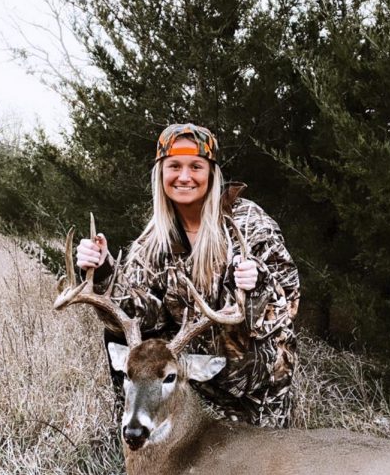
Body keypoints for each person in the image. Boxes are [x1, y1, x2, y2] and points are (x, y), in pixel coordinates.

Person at [77, 123, 300, 427]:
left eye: (196, 166)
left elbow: (289, 304)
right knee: (120, 331)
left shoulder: (250, 224)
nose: (184, 177)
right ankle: (136, 422)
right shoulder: (154, 240)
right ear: (161, 174)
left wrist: (258, 284)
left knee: (236, 465)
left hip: (252, 385)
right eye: (174, 166)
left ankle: (239, 421)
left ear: (212, 173)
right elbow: (140, 316)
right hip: (188, 377)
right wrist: (103, 269)